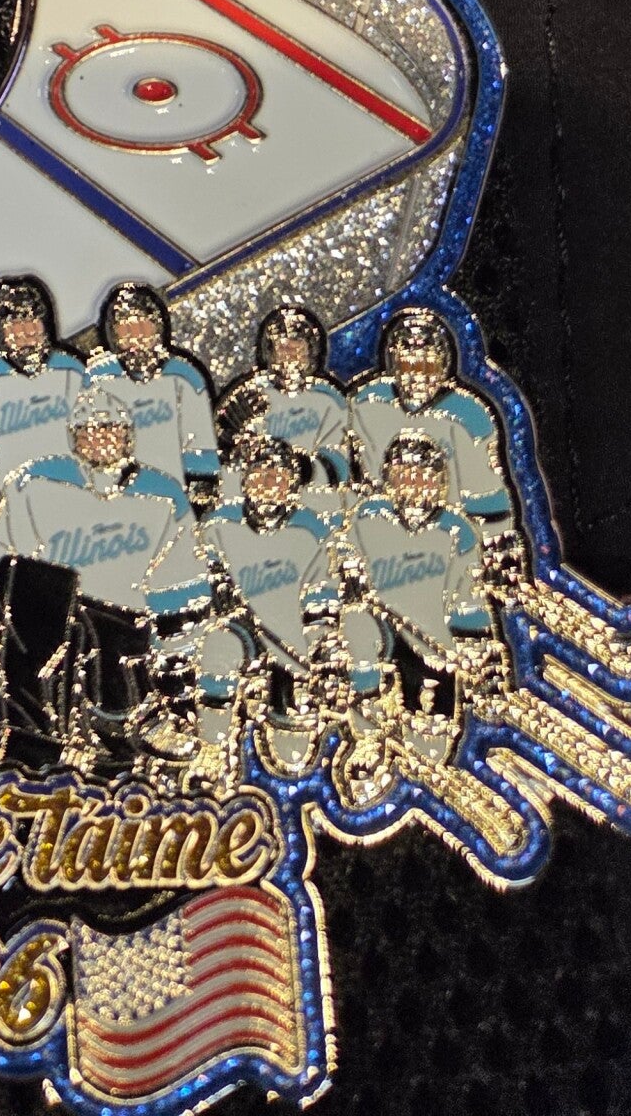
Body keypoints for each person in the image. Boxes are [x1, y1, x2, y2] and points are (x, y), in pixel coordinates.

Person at [0, 391, 210, 766]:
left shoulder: (164, 494)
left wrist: (173, 647)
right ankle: (30, 735)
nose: (100, 439)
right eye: (89, 431)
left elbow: (184, 580)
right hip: (47, 613)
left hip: (126, 621)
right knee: (40, 601)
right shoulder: (34, 482)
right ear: (74, 437)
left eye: (110, 429)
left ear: (128, 435)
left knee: (118, 635)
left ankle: (125, 721)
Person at [342, 430, 503, 754]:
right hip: (382, 627)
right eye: (405, 475)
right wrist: (350, 576)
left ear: (439, 482)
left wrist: (471, 644)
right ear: (389, 478)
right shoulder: (368, 516)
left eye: (423, 477)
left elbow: (468, 594)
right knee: (357, 623)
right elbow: (343, 559)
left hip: (433, 642)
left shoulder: (457, 530)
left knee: (431, 727)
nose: (414, 485)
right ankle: (365, 709)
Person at [194, 435, 340, 781]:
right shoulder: (217, 526)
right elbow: (198, 574)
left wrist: (318, 643)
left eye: (278, 476)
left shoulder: (313, 529)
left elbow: (323, 593)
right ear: (245, 480)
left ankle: (285, 703)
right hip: (239, 629)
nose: (269, 484)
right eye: (260, 474)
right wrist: (215, 589)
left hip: (292, 639)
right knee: (218, 647)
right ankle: (213, 744)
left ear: (293, 484)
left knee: (293, 739)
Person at [351, 307, 514, 546]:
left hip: (447, 539)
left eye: (425, 367)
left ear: (443, 365)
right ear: (393, 364)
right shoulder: (365, 404)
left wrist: (493, 544)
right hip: (379, 536)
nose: (417, 377)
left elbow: (487, 498)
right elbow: (347, 476)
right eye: (408, 367)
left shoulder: (469, 416)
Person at [0, 273, 87, 526]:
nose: (25, 332)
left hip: (73, 492)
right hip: (14, 502)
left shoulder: (72, 369)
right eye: (15, 325)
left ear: (44, 323)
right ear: (1, 329)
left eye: (31, 321)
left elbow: (92, 431)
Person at [84, 282, 220, 500]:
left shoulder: (184, 376)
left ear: (158, 327)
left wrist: (197, 496)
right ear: (114, 333)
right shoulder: (96, 379)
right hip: (115, 501)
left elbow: (202, 450)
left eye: (143, 327)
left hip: (173, 499)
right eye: (126, 329)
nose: (136, 337)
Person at [217, 301, 352, 493]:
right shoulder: (250, 394)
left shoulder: (328, 400)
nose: (289, 359)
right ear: (270, 353)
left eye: (297, 351)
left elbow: (339, 464)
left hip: (312, 497)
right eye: (283, 350)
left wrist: (296, 467)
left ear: (311, 353)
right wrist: (236, 444)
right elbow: (223, 457)